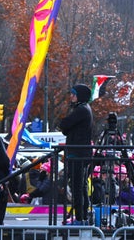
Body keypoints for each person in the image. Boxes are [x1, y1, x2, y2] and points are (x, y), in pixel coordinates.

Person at [59, 84, 94, 225]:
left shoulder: (81, 110)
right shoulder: (84, 109)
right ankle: (82, 216)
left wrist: (66, 126)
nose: (71, 96)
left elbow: (64, 125)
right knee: (81, 186)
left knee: (77, 187)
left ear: (80, 95)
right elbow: (65, 127)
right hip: (80, 153)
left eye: (74, 94)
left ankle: (80, 217)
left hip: (78, 153)